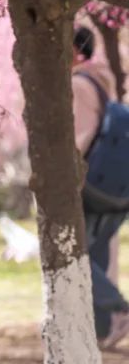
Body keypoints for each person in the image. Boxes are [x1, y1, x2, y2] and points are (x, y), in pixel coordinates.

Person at [71, 26, 129, 350]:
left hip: (92, 183)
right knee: (94, 252)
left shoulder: (79, 84)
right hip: (118, 185)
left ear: (76, 50)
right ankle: (104, 328)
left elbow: (82, 134)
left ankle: (118, 308)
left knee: (70, 251)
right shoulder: (101, 82)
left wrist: (64, 179)